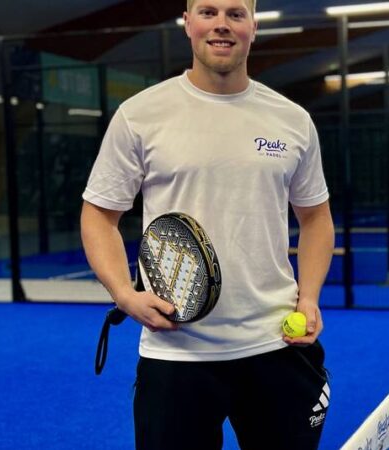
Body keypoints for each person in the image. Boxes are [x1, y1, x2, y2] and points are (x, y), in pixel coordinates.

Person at [79, 0, 335, 447]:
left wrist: (309, 297)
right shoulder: (140, 115)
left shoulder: (293, 120)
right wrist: (124, 294)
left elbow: (316, 218)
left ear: (253, 26)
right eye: (208, 12)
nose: (222, 25)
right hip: (176, 353)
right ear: (188, 23)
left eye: (236, 14)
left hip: (277, 344)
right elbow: (99, 214)